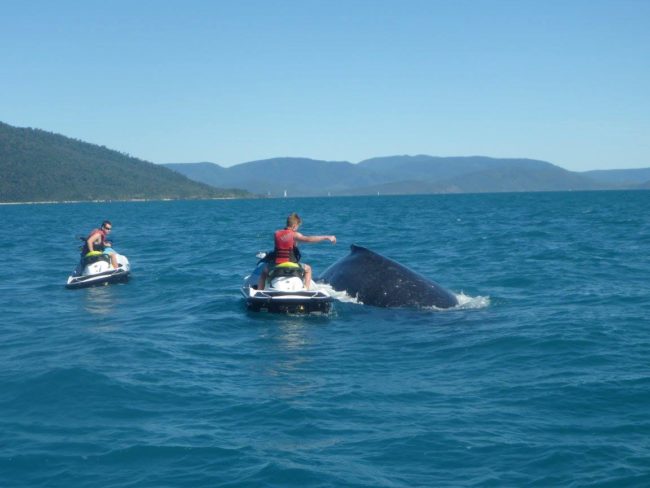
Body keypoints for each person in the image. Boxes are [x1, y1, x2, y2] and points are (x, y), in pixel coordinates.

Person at [257, 212, 336, 290]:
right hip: (292, 264)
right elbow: (308, 239)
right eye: (298, 226)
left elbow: (282, 243)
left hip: (277, 265)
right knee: (308, 269)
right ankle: (306, 289)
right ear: (294, 226)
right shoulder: (294, 235)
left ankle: (259, 291)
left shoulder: (276, 233)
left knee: (264, 272)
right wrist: (326, 237)